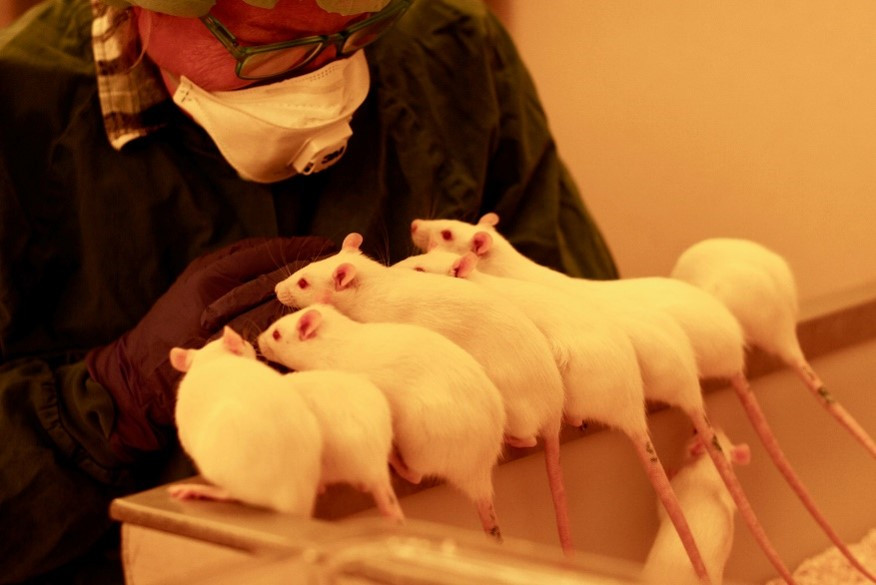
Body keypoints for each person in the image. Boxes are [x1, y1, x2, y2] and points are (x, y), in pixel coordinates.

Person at [0, 0, 618, 582]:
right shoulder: (21, 111)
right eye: (269, 45)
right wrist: (112, 399)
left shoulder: (450, 50)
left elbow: (590, 346)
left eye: (355, 29)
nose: (323, 71)